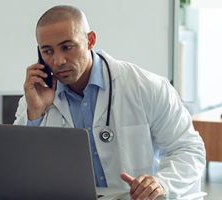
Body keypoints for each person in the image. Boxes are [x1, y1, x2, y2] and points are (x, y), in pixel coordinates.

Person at [13, 5, 206, 200]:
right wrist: (35, 114)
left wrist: (161, 183)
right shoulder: (36, 99)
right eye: (47, 51)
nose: (58, 60)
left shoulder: (145, 86)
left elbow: (188, 149)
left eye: (67, 47)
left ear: (90, 40)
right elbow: (19, 171)